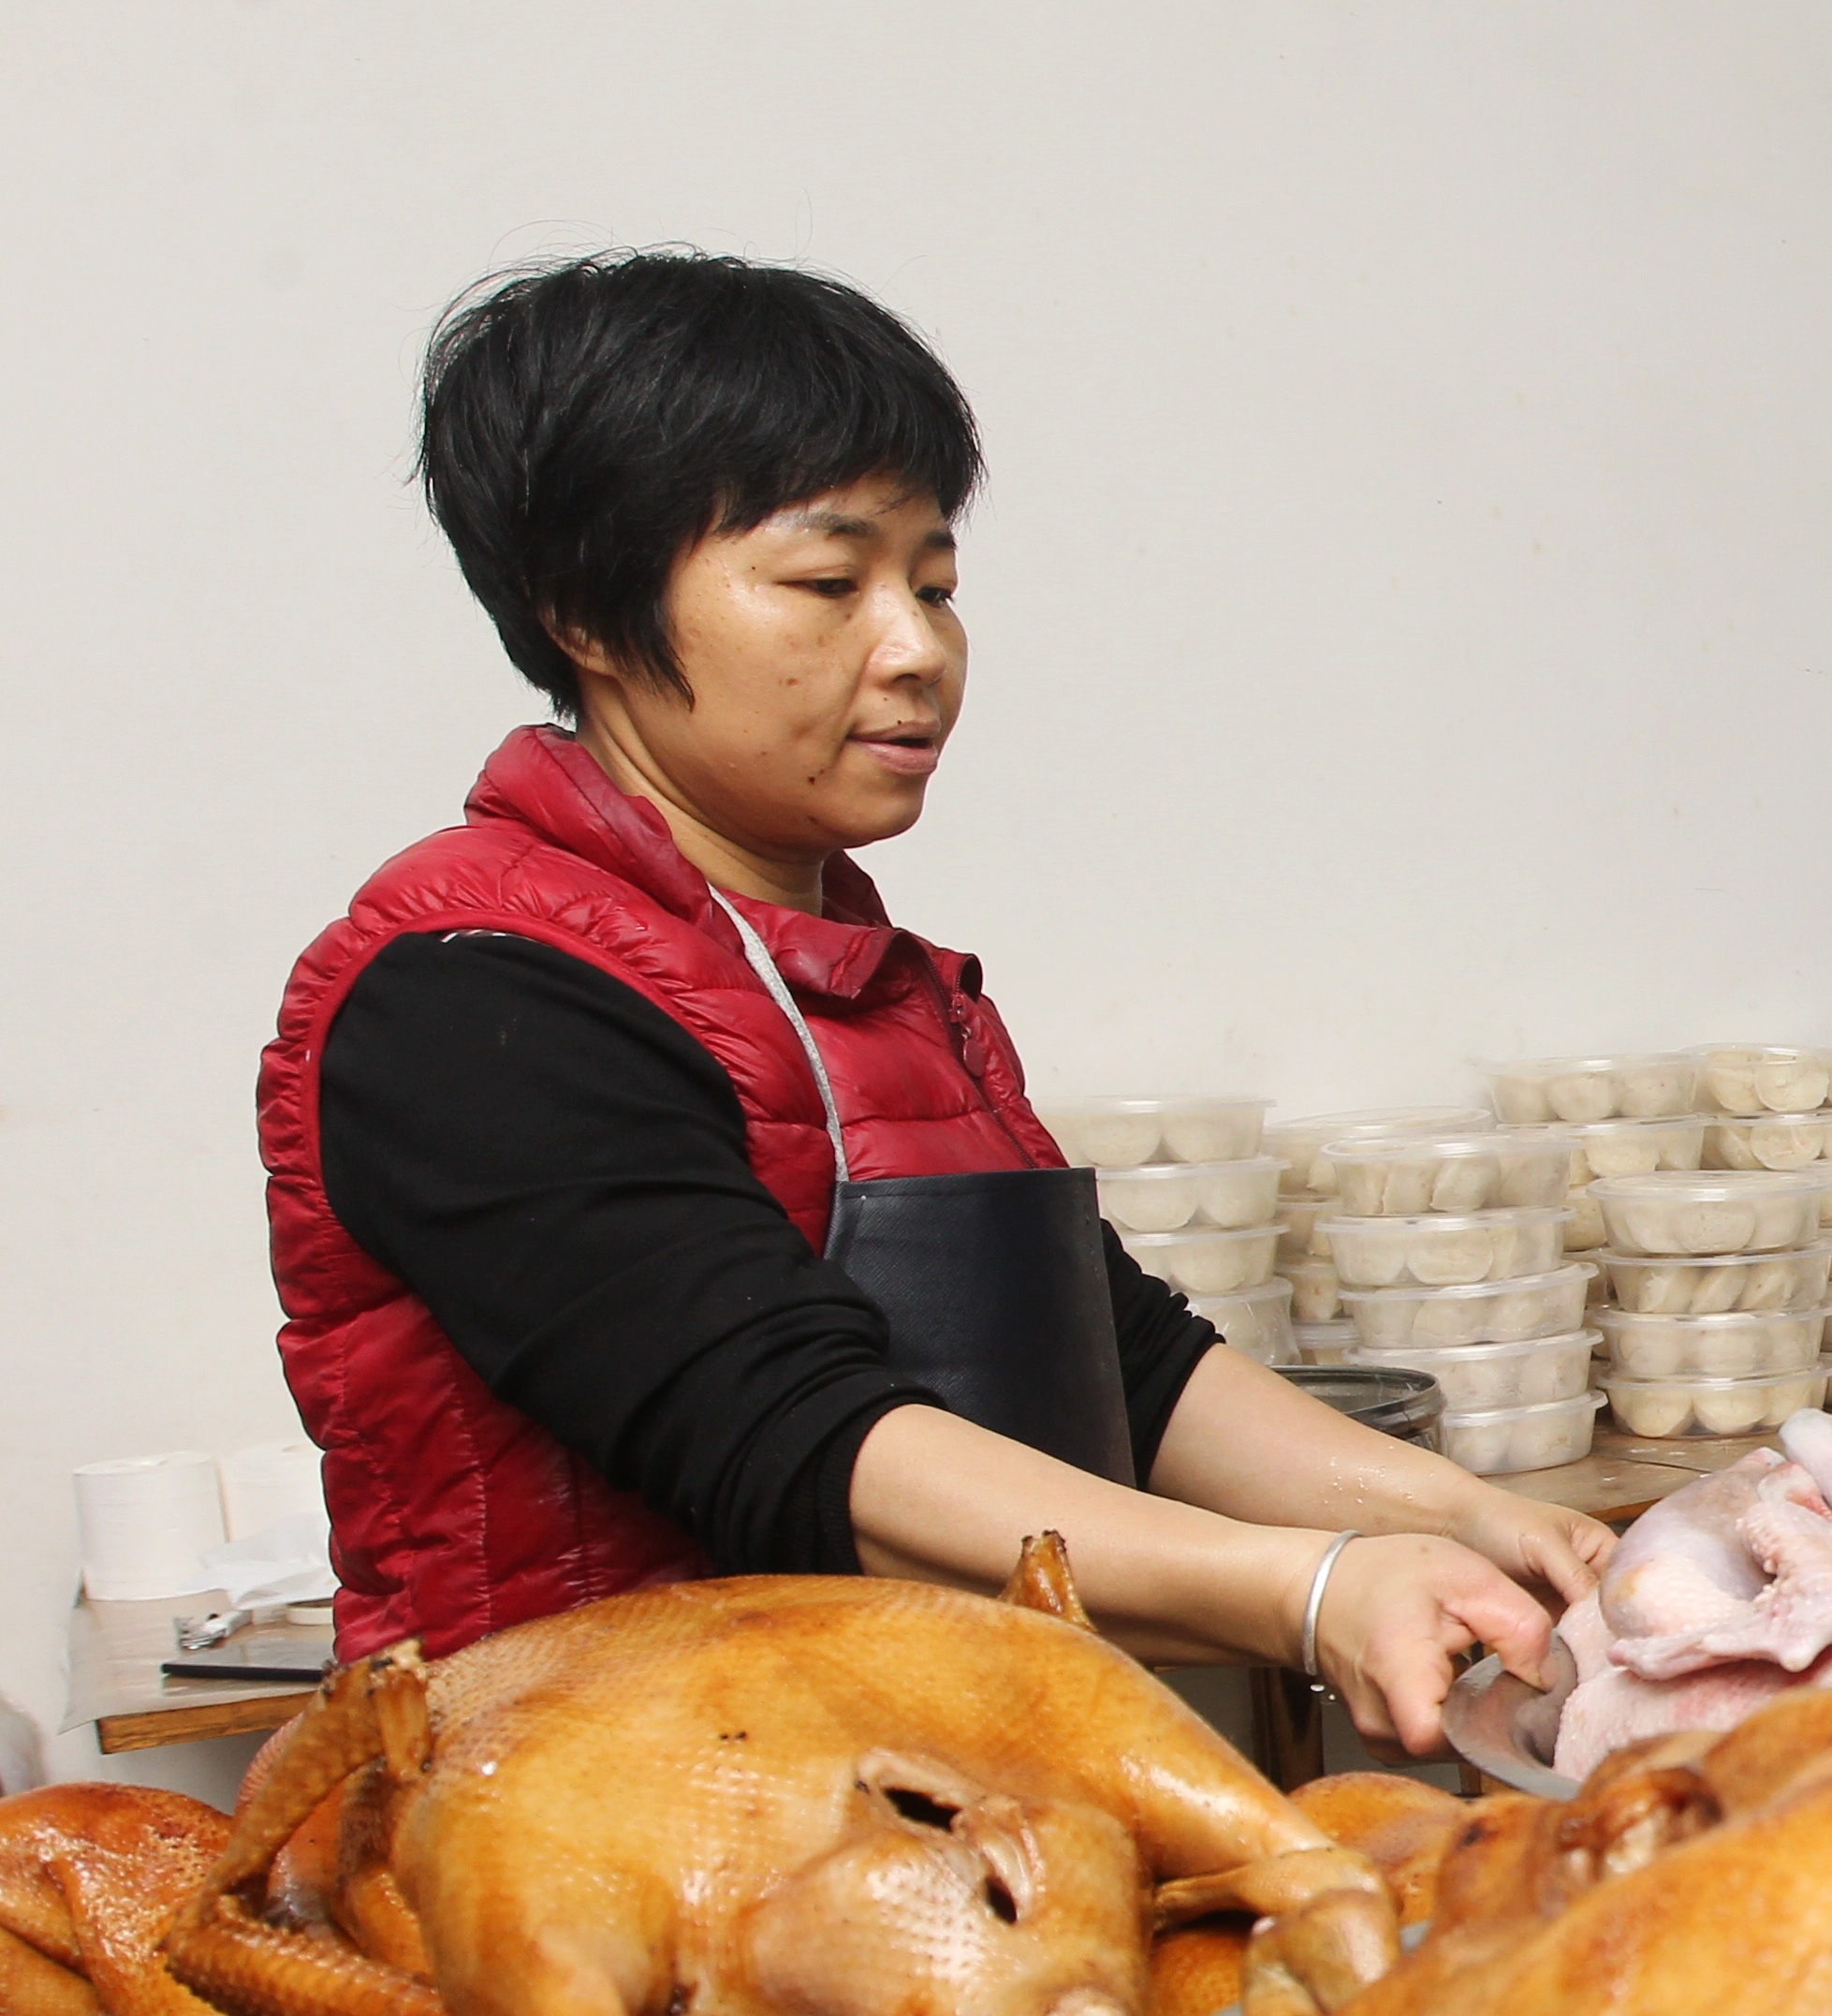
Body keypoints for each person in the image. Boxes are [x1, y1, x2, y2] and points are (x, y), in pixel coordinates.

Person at [259, 252, 1605, 1752]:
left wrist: (1481, 1520)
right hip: (594, 1825)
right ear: (586, 609)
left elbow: (1129, 1365)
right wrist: (1308, 1592)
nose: (916, 649)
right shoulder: (468, 994)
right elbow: (795, 1447)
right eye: (831, 585)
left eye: (936, 584)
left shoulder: (872, 984)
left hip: (916, 1793)